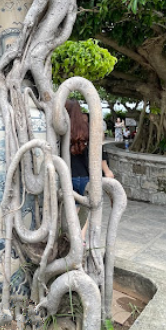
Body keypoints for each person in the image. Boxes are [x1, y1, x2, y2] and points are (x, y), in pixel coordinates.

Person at [65, 100, 114, 241]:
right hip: (86, 176)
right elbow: (99, 151)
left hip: (69, 176)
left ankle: (72, 239)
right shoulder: (87, 129)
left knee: (72, 211)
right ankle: (82, 238)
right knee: (86, 210)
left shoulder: (62, 128)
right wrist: (106, 170)